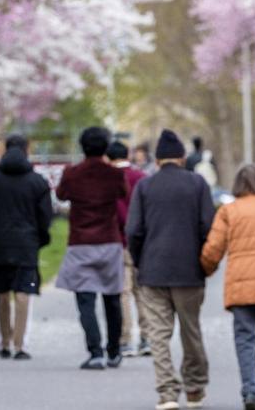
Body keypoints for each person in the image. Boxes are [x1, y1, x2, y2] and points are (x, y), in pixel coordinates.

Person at [126, 129, 216, 410]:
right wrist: (203, 261)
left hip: (153, 271)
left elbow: (133, 230)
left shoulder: (144, 186)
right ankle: (194, 389)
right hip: (189, 271)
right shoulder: (197, 184)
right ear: (182, 157)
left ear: (157, 160)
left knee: (158, 335)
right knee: (191, 331)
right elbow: (207, 227)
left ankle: (166, 393)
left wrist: (141, 261)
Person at [201, 164, 255, 410]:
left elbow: (213, 248)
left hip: (241, 285)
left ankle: (250, 390)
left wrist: (206, 268)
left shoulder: (230, 210)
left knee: (244, 339)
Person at [0, 133, 54, 360]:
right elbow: (45, 216)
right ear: (27, 150)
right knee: (23, 292)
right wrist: (40, 238)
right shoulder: (37, 181)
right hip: (27, 246)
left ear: (5, 149)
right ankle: (20, 344)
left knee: (1, 292)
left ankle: (4, 341)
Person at [55, 126, 128, 370]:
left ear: (82, 146)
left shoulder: (72, 173)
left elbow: (61, 195)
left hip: (81, 241)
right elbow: (123, 193)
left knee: (85, 300)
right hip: (109, 240)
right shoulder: (114, 175)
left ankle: (95, 351)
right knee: (112, 297)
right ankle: (114, 350)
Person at [111, 140, 151, 358]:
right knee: (142, 291)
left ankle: (125, 339)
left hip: (117, 240)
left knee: (123, 292)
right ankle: (147, 338)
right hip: (141, 242)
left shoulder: (109, 180)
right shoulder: (141, 179)